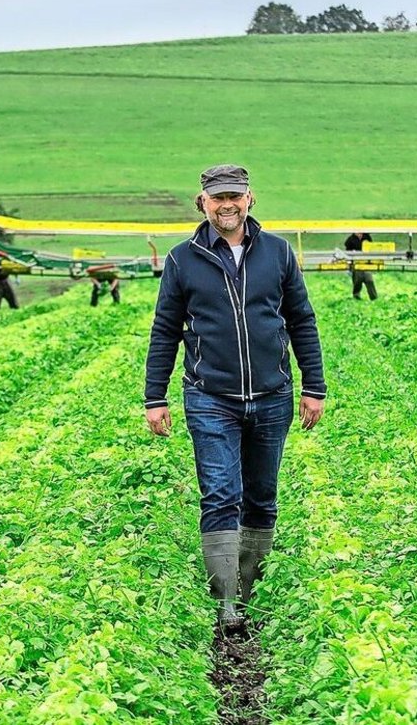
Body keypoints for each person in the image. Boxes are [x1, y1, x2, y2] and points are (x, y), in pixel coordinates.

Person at [145, 164, 327, 635]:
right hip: (210, 397)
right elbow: (166, 329)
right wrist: (155, 396)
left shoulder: (279, 253)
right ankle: (226, 603)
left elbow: (301, 320)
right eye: (217, 197)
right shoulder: (184, 259)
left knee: (261, 497)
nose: (227, 204)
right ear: (201, 203)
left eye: (235, 196)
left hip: (272, 396)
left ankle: (251, 592)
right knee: (221, 494)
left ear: (250, 199)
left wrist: (313, 386)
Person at [343, 231, 378, 300]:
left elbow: (371, 248)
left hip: (366, 263)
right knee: (357, 281)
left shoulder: (367, 237)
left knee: (369, 279)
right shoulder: (350, 240)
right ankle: (356, 297)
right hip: (356, 263)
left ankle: (374, 297)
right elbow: (347, 253)